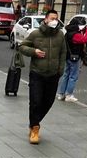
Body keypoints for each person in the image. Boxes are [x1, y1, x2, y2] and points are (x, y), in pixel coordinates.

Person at [18, 8, 66, 144]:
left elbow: (63, 53)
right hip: (37, 74)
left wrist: (60, 70)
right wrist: (34, 51)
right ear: (46, 19)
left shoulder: (60, 36)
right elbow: (22, 46)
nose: (54, 21)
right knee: (35, 101)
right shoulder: (35, 34)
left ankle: (34, 121)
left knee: (48, 102)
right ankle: (35, 128)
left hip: (53, 75)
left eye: (56, 19)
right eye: (52, 18)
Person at [57, 20, 87, 103]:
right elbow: (85, 40)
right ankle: (69, 95)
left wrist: (83, 30)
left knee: (66, 75)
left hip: (68, 56)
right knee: (73, 77)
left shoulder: (68, 32)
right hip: (74, 57)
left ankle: (61, 94)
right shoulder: (75, 34)